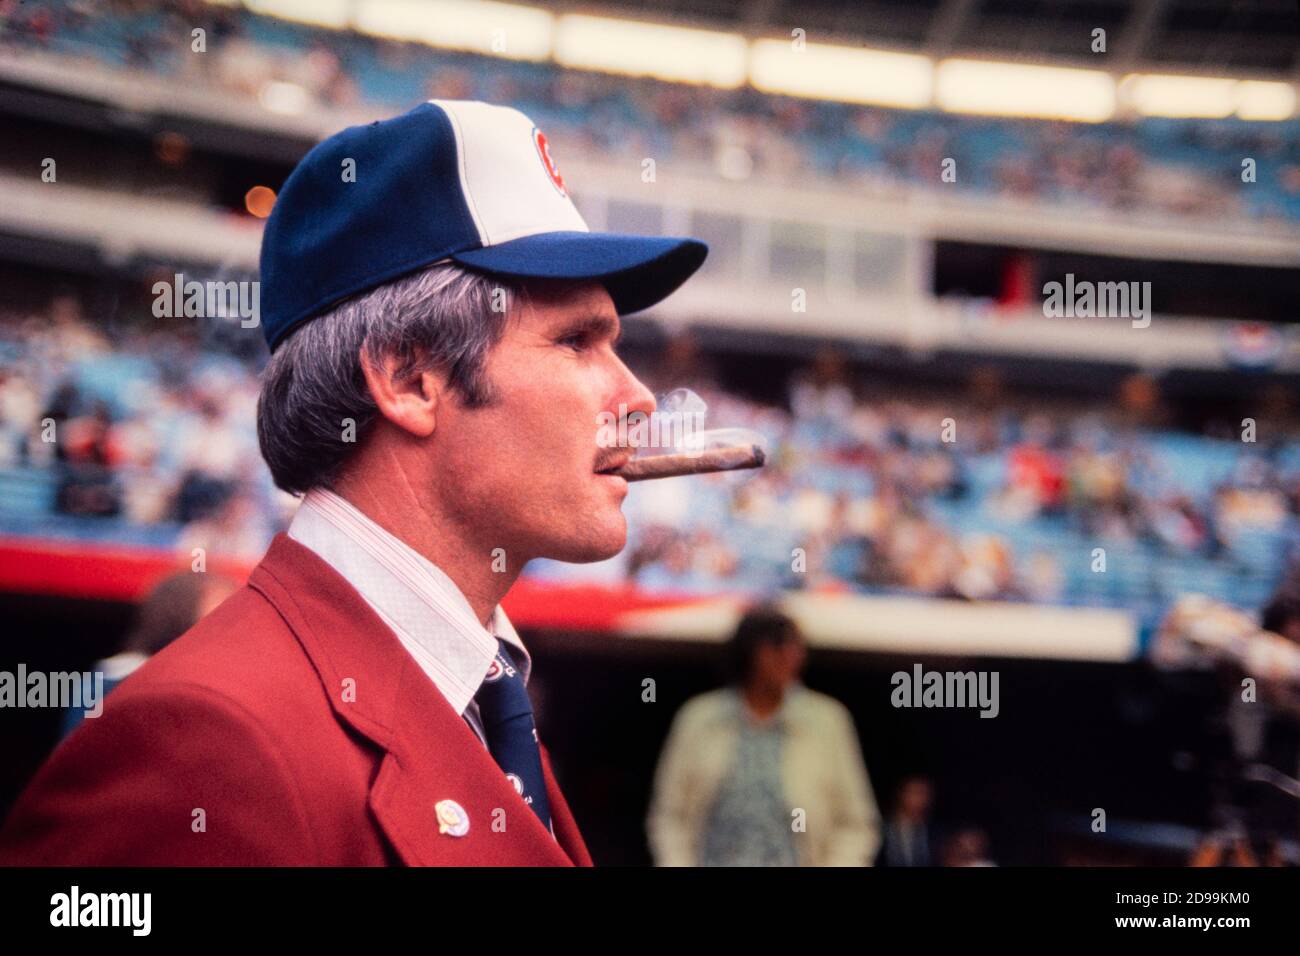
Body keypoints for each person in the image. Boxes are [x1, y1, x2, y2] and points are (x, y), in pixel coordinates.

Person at [0, 99, 707, 865]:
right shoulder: (204, 742)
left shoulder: (479, 689)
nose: (637, 396)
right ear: (407, 378)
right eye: (576, 341)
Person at [646, 604, 881, 865]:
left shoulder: (827, 721)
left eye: (796, 647)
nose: (790, 657)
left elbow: (856, 822)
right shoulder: (699, 718)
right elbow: (669, 815)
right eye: (777, 647)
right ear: (749, 651)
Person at [59, 571, 239, 740]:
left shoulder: (221, 683)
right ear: (176, 614)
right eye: (220, 611)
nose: (231, 624)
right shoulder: (114, 681)